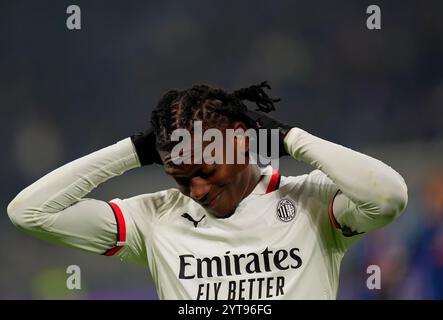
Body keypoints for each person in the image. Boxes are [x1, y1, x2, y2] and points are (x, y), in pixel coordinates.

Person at [7, 81, 408, 299]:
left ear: (239, 139)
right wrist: (132, 151)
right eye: (180, 178)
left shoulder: (312, 202)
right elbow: (29, 212)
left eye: (206, 170)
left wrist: (286, 139)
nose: (196, 189)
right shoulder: (153, 218)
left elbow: (389, 197)